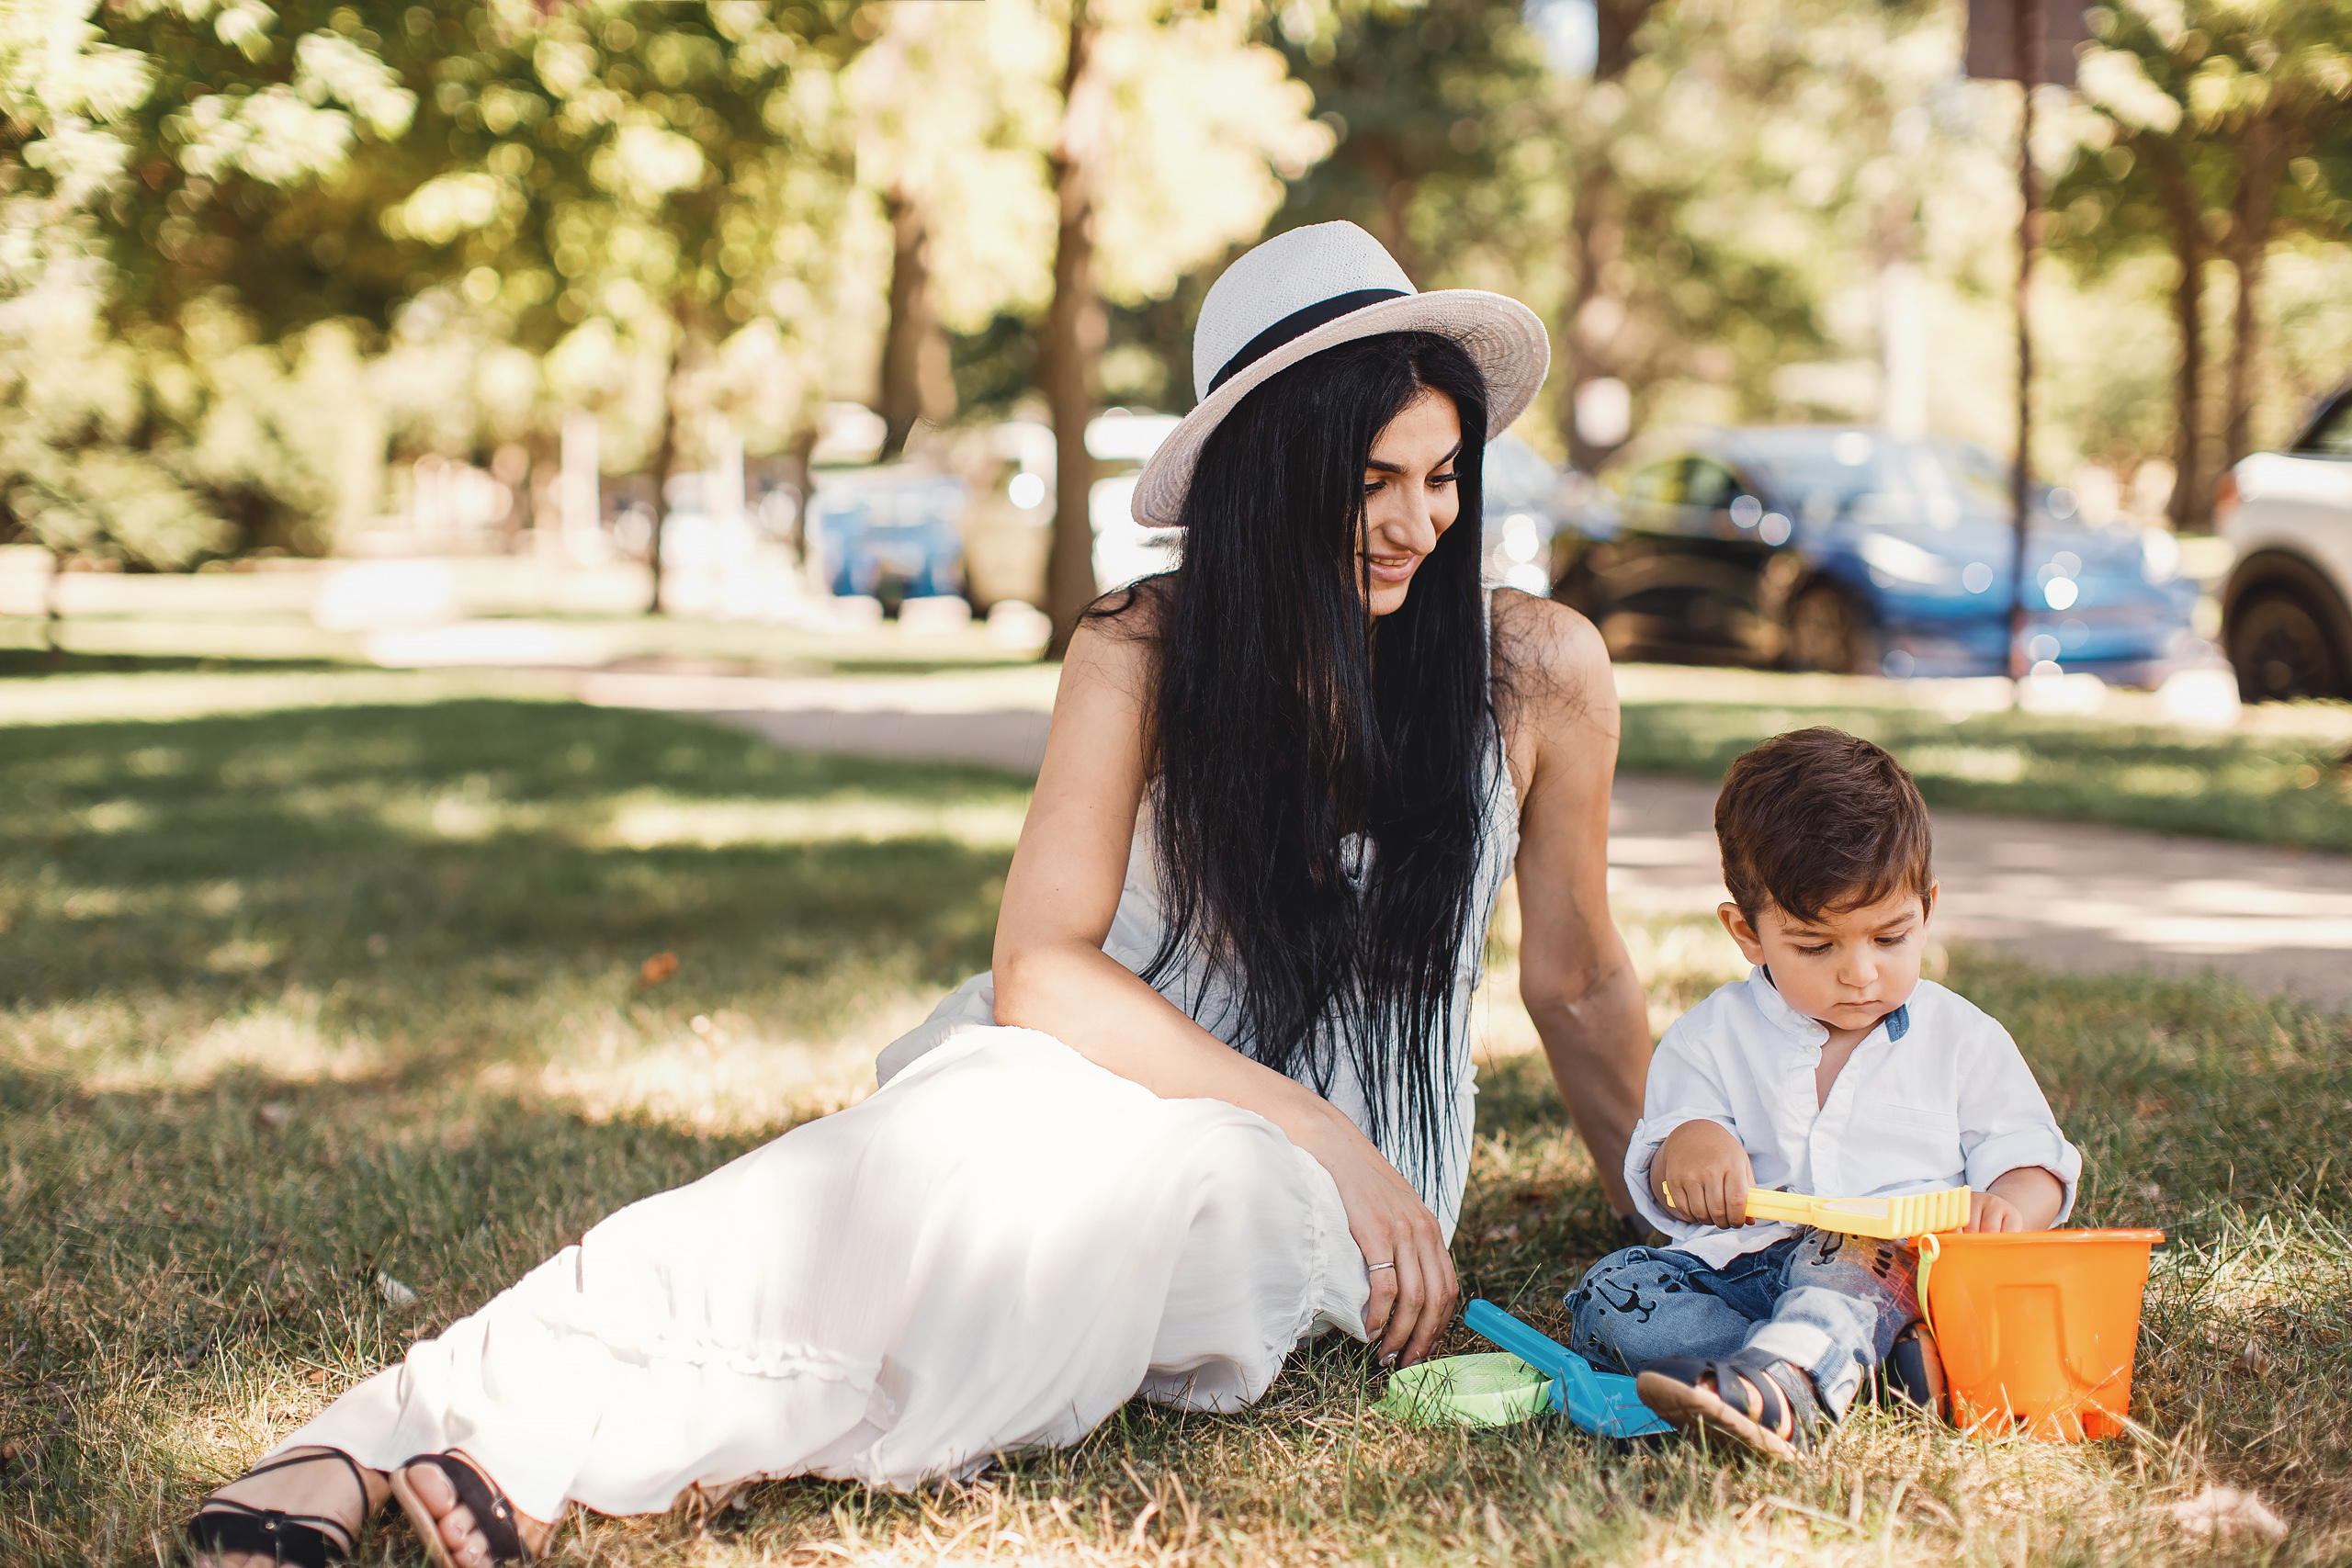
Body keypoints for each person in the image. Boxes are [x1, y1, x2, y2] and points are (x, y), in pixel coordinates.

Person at [186, 220, 1652, 1568]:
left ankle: (549, 1455)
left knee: (1140, 1211)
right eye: (1371, 478)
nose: (1416, 522)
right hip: (1106, 1069)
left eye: (1442, 474)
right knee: (883, 1173)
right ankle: (379, 1431)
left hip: (1325, 1182)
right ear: (1276, 474)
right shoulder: (1144, 646)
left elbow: (1576, 977)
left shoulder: (1535, 672)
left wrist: (1680, 1218)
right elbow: (1047, 970)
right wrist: (1306, 1113)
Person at [1562, 727, 2082, 1460]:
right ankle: (1820, 1369)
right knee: (1613, 1291)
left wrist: (2009, 1205)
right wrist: (1690, 1145)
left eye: (1889, 938)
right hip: (1739, 1267)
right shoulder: (1711, 1035)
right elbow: (1662, 1157)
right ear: (1747, 932)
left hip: (1887, 1265)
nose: (1861, 973)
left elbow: (2031, 1156)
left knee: (1841, 1261)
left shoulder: (1961, 1038)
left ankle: (1789, 1382)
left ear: (1926, 908)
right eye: (1817, 945)